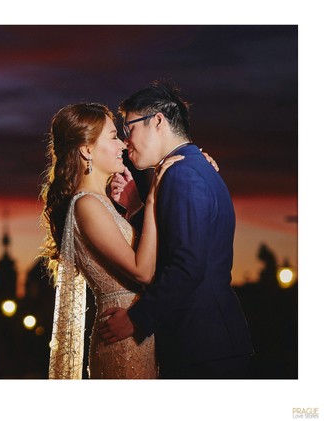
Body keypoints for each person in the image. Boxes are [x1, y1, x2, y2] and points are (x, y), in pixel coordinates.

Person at [100, 81, 253, 379]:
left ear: (157, 121)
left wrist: (135, 319)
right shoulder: (190, 168)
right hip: (206, 344)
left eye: (129, 128)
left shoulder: (182, 174)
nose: (125, 141)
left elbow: (187, 265)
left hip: (203, 347)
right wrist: (136, 208)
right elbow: (174, 244)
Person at [41, 102, 185, 379]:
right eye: (112, 136)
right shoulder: (86, 205)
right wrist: (154, 199)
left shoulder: (100, 203)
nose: (122, 144)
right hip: (121, 340)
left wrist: (135, 209)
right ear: (87, 149)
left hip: (133, 331)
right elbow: (142, 271)